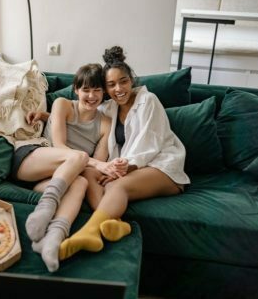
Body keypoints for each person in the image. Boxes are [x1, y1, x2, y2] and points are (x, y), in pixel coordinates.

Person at [58, 46, 191, 261]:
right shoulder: (108, 108)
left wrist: (122, 169)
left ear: (132, 80)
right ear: (106, 89)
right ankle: (118, 225)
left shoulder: (148, 101)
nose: (118, 89)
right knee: (89, 174)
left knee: (116, 184)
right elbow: (80, 113)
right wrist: (46, 115)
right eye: (111, 84)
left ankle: (88, 232)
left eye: (123, 81)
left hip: (162, 167)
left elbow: (150, 144)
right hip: (128, 168)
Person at [12, 63, 126, 272]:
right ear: (76, 89)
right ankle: (45, 209)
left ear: (103, 93)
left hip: (54, 180)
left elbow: (91, 170)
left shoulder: (106, 123)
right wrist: (101, 164)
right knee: (79, 156)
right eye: (85, 90)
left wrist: (102, 167)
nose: (91, 96)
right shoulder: (62, 104)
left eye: (97, 90)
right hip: (32, 160)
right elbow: (59, 146)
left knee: (81, 181)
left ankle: (52, 239)